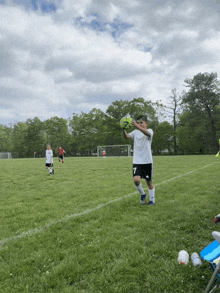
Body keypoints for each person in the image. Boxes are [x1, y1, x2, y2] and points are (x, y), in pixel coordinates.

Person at [123, 114, 155, 206]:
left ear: (146, 123)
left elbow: (147, 134)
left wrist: (137, 126)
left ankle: (152, 200)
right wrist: (123, 129)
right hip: (137, 161)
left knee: (149, 182)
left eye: (141, 123)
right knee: (136, 180)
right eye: (138, 123)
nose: (139, 124)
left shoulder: (149, 131)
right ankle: (143, 194)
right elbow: (127, 137)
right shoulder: (135, 132)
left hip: (147, 161)